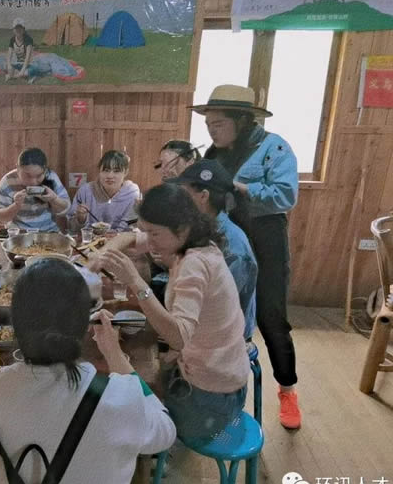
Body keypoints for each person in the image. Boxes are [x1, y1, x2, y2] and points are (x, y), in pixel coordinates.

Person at [0, 258, 175, 484]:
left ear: (14, 324)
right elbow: (166, 431)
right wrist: (115, 355)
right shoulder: (120, 397)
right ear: (83, 325)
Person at [98, 184, 250, 441]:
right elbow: (131, 238)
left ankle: (161, 449)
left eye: (154, 233)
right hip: (220, 374)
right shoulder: (196, 242)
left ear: (182, 229)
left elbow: (178, 337)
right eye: (147, 231)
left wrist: (136, 281)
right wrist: (101, 256)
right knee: (138, 368)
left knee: (123, 400)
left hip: (212, 396)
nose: (149, 241)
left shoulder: (195, 263)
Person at [192, 84, 301, 429]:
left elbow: (285, 196)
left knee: (271, 317)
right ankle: (222, 390)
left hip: (266, 237)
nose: (212, 131)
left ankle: (287, 389)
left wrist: (239, 188)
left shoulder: (273, 148)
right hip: (228, 237)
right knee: (226, 314)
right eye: (208, 124)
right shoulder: (214, 153)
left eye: (218, 124)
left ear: (241, 120)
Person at [169, 160, 258, 340]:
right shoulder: (199, 226)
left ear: (203, 196)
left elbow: (217, 304)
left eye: (184, 195)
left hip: (225, 337)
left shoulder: (233, 246)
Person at [0, 147, 70, 232]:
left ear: (45, 170)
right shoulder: (7, 181)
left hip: (48, 232)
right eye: (28, 176)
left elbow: (66, 209)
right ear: (18, 168)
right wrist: (16, 205)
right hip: (19, 233)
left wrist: (54, 199)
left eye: (39, 176)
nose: (33, 182)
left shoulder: (51, 177)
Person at [68, 150, 141, 233]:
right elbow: (72, 228)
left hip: (121, 239)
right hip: (90, 239)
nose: (110, 176)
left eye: (116, 171)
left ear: (126, 172)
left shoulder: (132, 193)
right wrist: (80, 219)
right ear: (99, 171)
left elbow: (131, 227)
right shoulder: (85, 191)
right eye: (106, 170)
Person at [5, 18, 37, 83]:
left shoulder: (28, 39)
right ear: (13, 30)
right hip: (18, 64)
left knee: (29, 71)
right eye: (16, 28)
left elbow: (28, 57)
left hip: (28, 64)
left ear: (23, 29)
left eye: (20, 28)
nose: (18, 30)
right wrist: (9, 65)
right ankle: (19, 75)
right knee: (6, 66)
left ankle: (13, 76)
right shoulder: (12, 40)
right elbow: (9, 54)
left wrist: (23, 70)